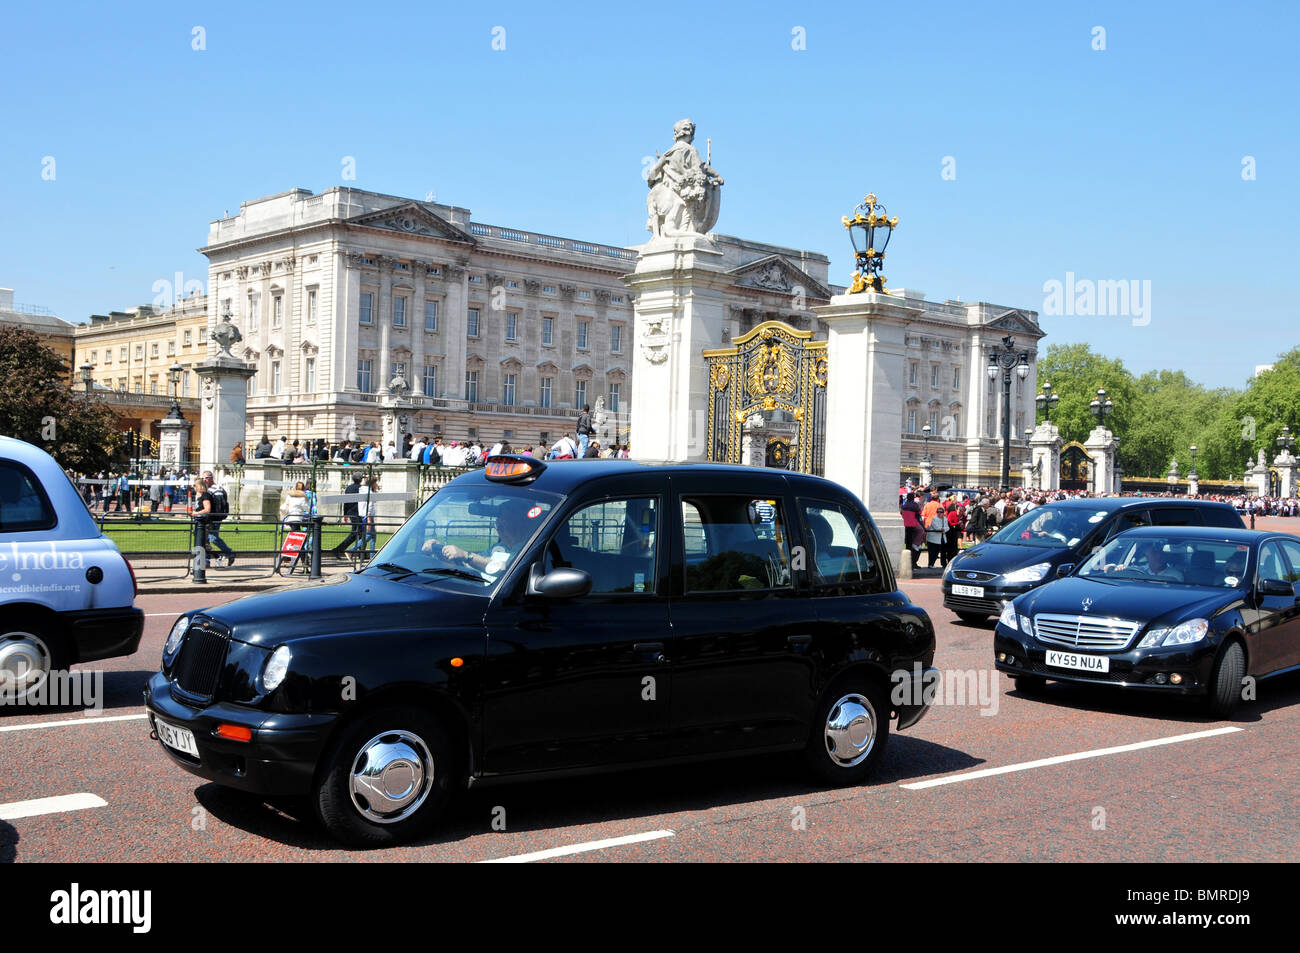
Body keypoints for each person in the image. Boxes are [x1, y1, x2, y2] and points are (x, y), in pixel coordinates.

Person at [420, 499, 533, 583]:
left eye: (504, 522)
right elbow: (471, 566)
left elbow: (506, 567)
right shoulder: (499, 547)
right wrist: (441, 552)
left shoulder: (528, 547)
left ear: (520, 524)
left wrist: (466, 555)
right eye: (498, 524)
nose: (499, 528)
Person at [194, 477, 235, 567]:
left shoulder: (210, 492)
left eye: (205, 478)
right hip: (214, 518)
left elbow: (208, 507)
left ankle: (227, 553)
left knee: (211, 538)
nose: (204, 480)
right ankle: (207, 560)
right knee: (208, 540)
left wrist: (197, 512)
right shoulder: (217, 490)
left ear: (210, 478)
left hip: (212, 519)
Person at [330, 475, 365, 555]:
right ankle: (339, 549)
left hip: (351, 512)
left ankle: (360, 553)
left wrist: (345, 514)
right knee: (356, 533)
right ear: (360, 480)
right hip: (358, 512)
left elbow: (345, 502)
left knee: (360, 533)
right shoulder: (361, 488)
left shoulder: (349, 488)